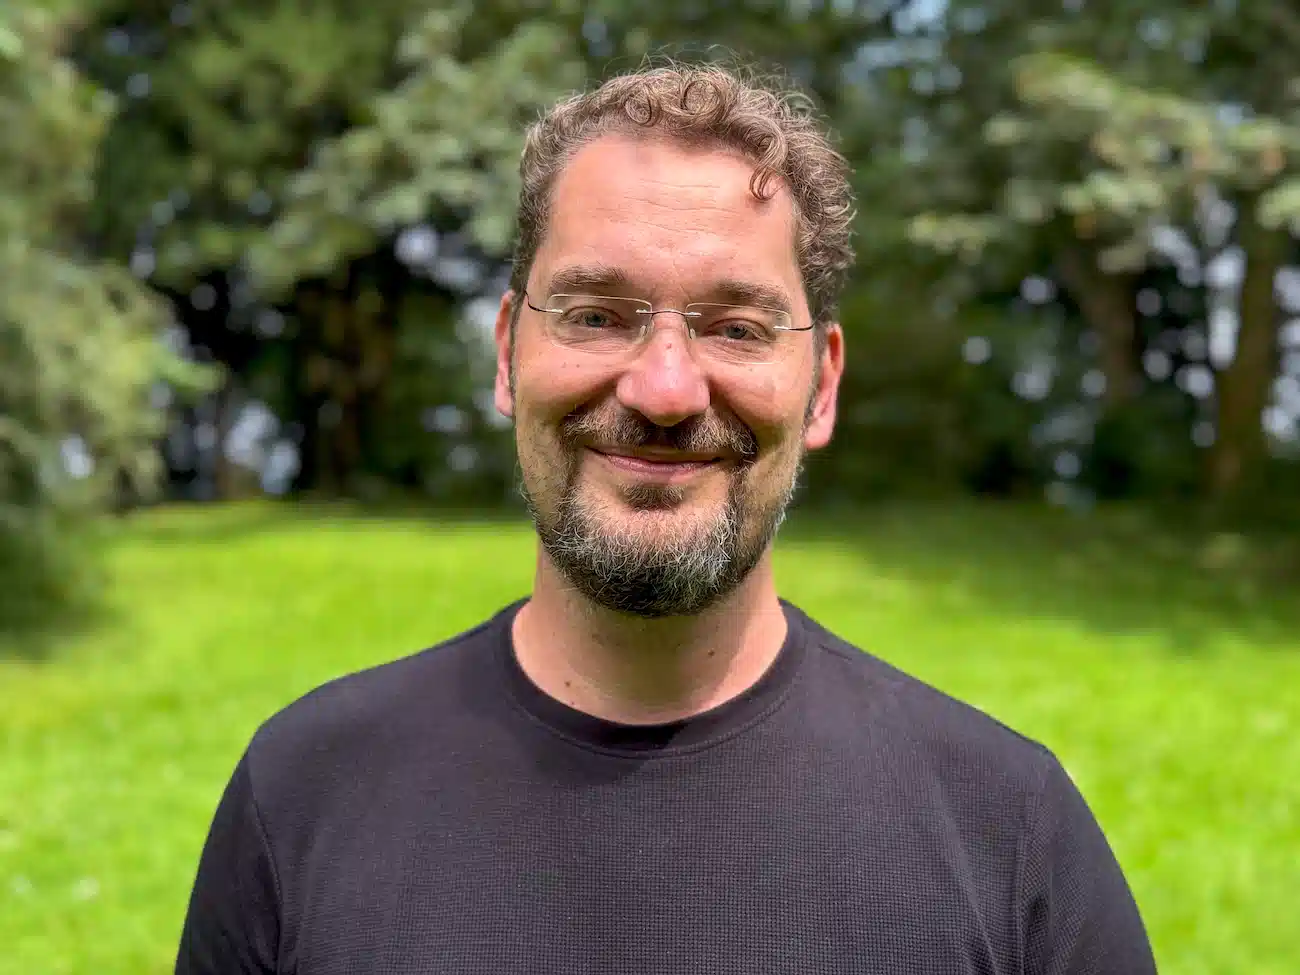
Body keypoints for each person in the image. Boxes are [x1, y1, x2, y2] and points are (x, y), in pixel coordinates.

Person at [175, 61, 1158, 974]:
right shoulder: (302, 794)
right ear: (510, 352)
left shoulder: (1007, 832)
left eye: (736, 327)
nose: (663, 390)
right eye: (598, 313)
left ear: (820, 387)